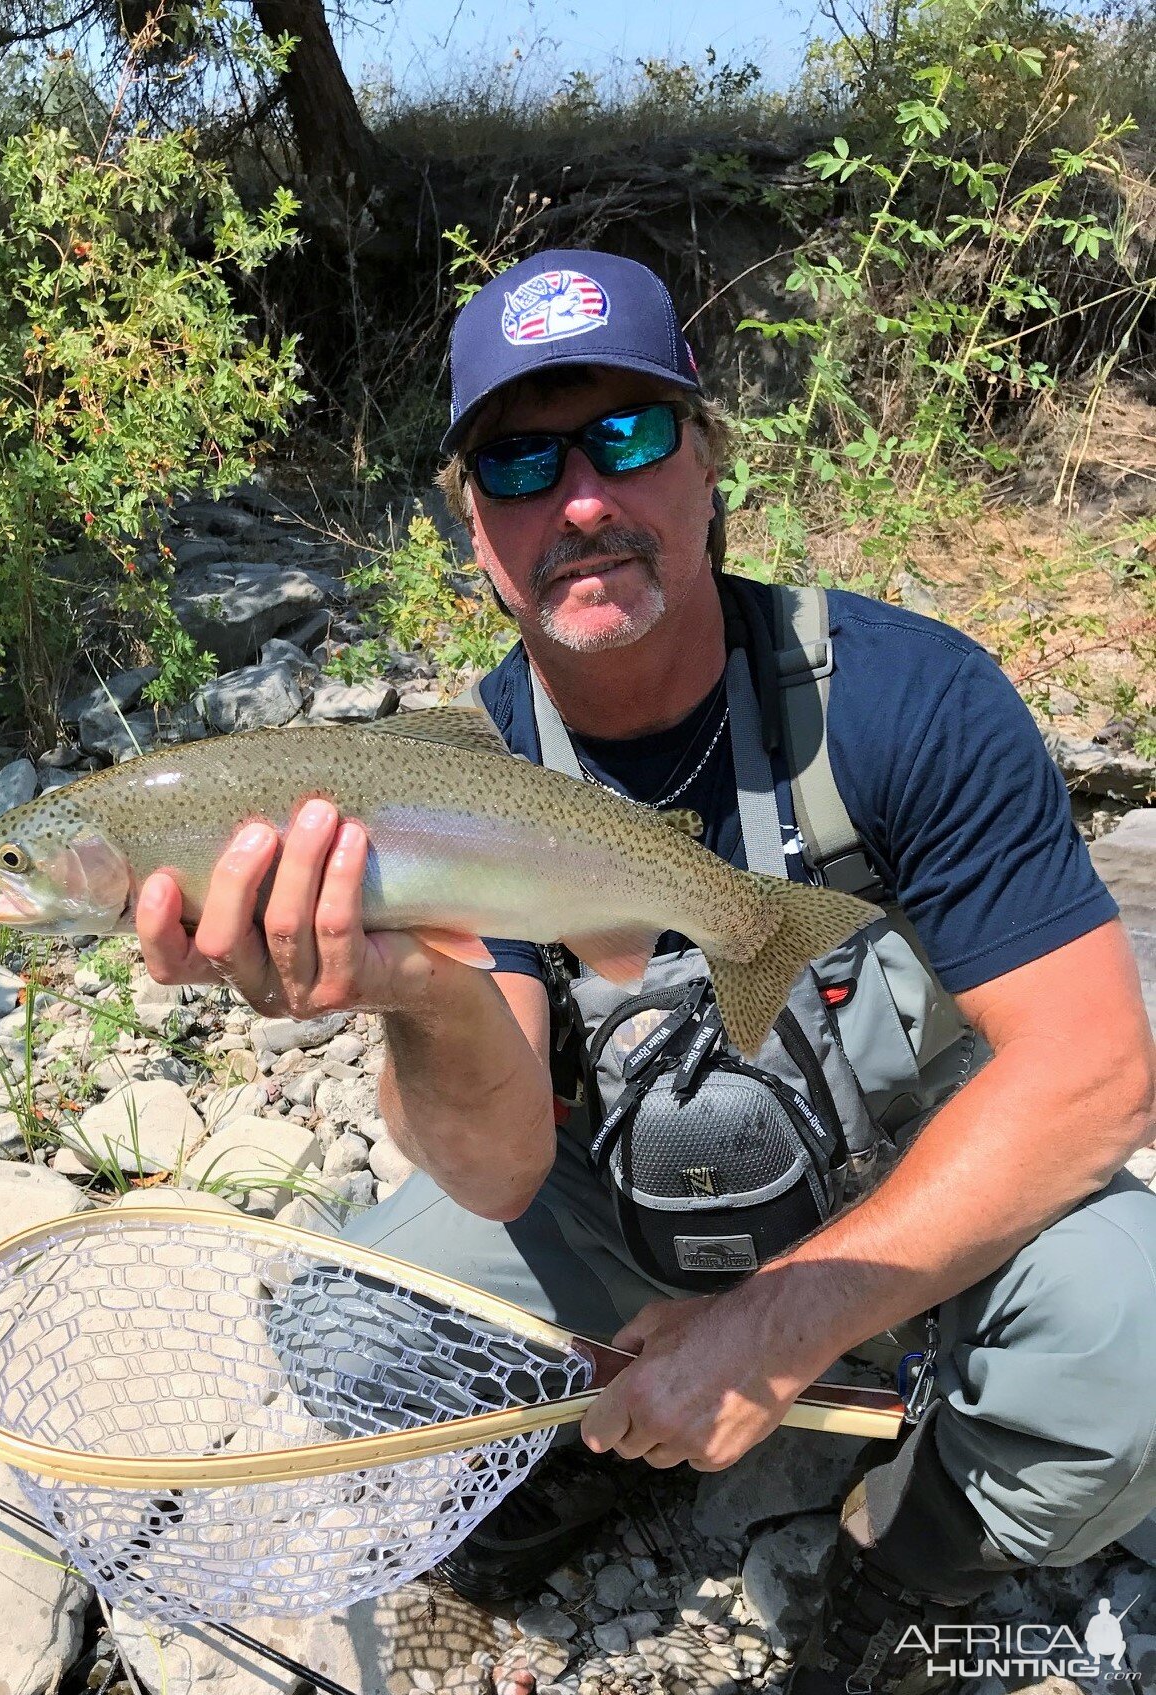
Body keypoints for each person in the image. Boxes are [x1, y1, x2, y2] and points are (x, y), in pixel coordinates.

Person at [135, 249, 1156, 1695]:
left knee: (1132, 1337)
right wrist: (413, 991)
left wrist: (776, 1325)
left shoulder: (906, 698)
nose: (583, 498)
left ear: (705, 462)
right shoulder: (456, 776)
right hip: (624, 1220)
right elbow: (491, 1173)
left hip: (913, 1228)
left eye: (625, 433)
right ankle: (607, 1454)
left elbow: (1097, 1073)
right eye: (520, 460)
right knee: (359, 1338)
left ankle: (904, 1555)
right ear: (473, 527)